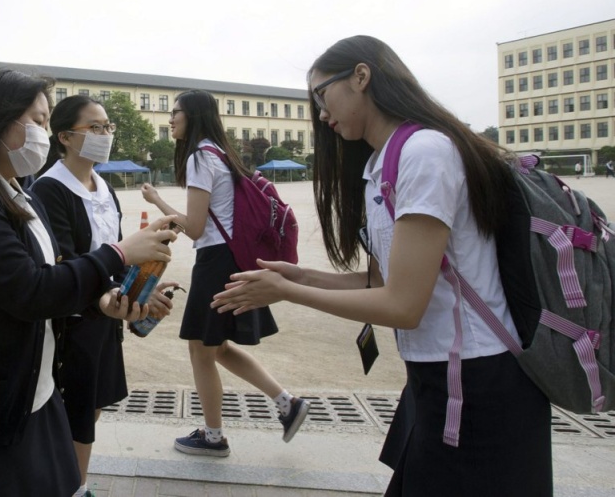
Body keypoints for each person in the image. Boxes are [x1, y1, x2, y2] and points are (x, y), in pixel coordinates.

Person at [212, 36, 552, 496]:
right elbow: (383, 280)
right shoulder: (382, 163)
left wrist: (286, 291)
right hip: (438, 375)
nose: (320, 112)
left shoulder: (424, 153)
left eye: (320, 94)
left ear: (361, 76)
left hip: (477, 380)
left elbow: (404, 304)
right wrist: (301, 275)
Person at [0, 69, 176, 496]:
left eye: (47, 121)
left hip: (34, 389)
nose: (44, 133)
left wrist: (102, 302)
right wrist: (121, 252)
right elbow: (28, 290)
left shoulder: (21, 193)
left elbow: (55, 273)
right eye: (36, 120)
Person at [140, 90, 310, 458]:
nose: (170, 120)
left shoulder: (202, 156)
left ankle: (213, 437)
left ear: (194, 116)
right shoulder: (221, 152)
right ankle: (287, 403)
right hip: (232, 260)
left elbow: (196, 228)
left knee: (201, 349)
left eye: (176, 113)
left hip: (217, 261)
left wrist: (157, 203)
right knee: (216, 346)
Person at [32, 95, 177, 497]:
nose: (105, 134)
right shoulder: (50, 189)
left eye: (107, 127)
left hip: (106, 317)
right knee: (71, 408)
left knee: (92, 403)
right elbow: (63, 261)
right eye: (94, 127)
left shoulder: (104, 189)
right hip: (72, 321)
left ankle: (75, 483)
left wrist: (142, 287)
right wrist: (108, 294)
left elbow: (116, 252)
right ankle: (70, 488)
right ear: (64, 137)